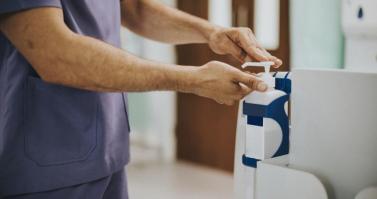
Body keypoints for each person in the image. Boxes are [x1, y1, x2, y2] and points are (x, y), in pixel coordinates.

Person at [0, 0, 282, 198]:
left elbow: (133, 7)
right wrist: (193, 79)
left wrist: (212, 33)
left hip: (107, 148)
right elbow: (54, 52)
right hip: (46, 153)